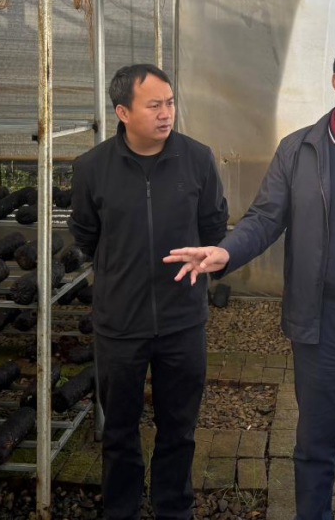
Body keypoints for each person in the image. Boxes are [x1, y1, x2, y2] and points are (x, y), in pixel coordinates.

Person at [165, 41, 335, 520]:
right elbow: (265, 218)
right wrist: (226, 251)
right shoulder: (299, 149)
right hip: (321, 323)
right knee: (314, 445)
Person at [69, 64, 229, 520]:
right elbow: (86, 236)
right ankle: (120, 509)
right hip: (119, 325)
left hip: (182, 322)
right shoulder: (92, 167)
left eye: (170, 103)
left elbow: (214, 225)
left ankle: (172, 508)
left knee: (178, 428)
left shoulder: (197, 159)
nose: (166, 113)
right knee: (119, 429)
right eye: (154, 105)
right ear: (123, 112)